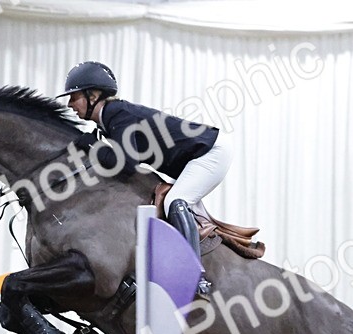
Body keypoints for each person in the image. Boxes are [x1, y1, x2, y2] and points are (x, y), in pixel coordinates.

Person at [58, 61, 231, 296]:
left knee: (175, 202)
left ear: (93, 95)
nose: (70, 105)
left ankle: (194, 275)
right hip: (198, 155)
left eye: (74, 97)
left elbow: (125, 164)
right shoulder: (109, 120)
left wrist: (91, 144)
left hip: (210, 153)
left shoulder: (117, 114)